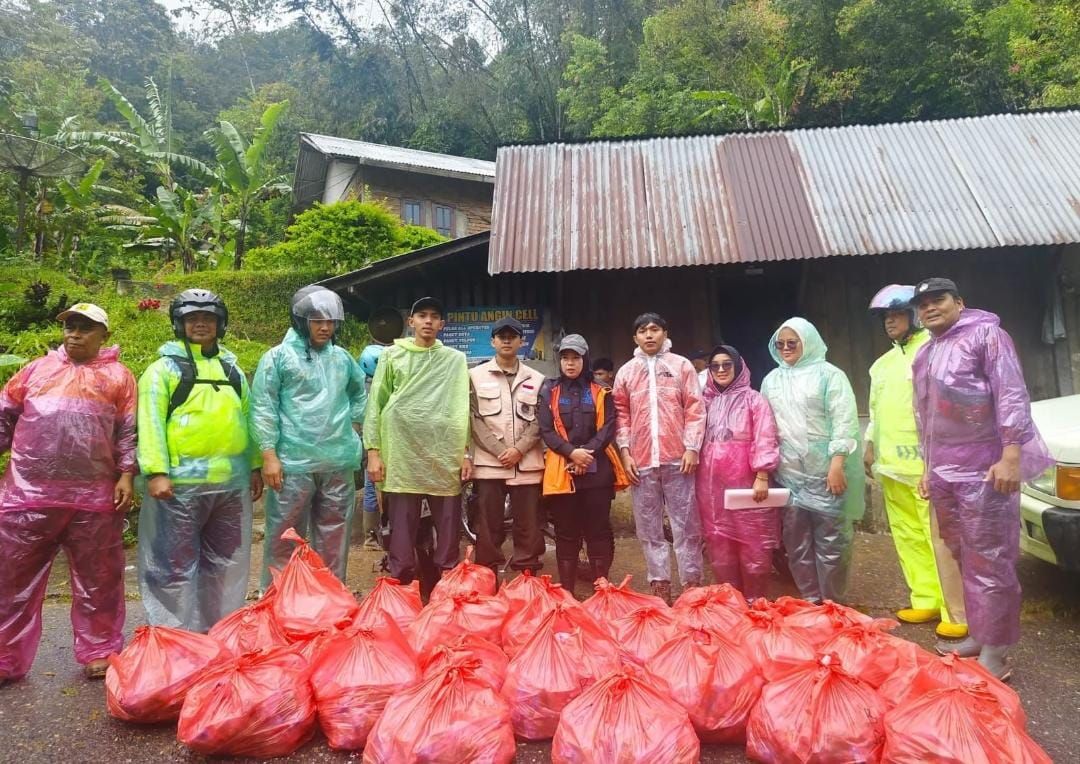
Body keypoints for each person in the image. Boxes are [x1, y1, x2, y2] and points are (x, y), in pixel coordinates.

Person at [911, 277, 1051, 679]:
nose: (929, 308)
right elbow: (926, 417)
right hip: (944, 472)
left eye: (938, 299)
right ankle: (979, 633)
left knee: (990, 559)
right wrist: (928, 468)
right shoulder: (927, 352)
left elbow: (1011, 394)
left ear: (959, 302)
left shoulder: (987, 336)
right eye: (922, 304)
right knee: (962, 554)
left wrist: (1011, 455)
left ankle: (997, 651)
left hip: (985, 469)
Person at [0, 303, 135, 681]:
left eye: (85, 328)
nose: (75, 334)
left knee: (100, 580)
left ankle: (99, 650)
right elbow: (3, 416)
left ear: (104, 335)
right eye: (70, 327)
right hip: (28, 496)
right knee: (11, 580)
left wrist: (126, 474)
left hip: (93, 498)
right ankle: (5, 657)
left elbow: (128, 431)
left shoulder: (119, 377)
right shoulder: (35, 370)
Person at [138, 288, 262, 632]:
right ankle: (174, 637)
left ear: (221, 324)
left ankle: (217, 633)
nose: (201, 324)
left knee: (223, 564)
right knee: (173, 566)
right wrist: (156, 472)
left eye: (208, 318)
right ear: (179, 324)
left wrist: (254, 466)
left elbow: (248, 419)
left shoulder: (232, 370)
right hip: (179, 487)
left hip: (228, 486)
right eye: (192, 318)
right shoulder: (162, 371)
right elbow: (149, 422)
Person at [865, 284, 966, 637]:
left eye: (896, 314)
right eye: (885, 317)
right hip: (891, 464)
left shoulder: (933, 351)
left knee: (940, 536)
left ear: (913, 316)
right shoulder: (881, 365)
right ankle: (925, 597)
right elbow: (875, 410)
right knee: (907, 534)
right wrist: (870, 445)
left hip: (926, 464)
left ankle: (956, 610)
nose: (889, 322)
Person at [251, 286, 366, 589]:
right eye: (317, 321)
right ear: (301, 321)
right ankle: (276, 597)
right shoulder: (278, 358)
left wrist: (353, 427)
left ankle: (331, 597)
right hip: (292, 464)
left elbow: (359, 392)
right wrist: (268, 454)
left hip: (337, 461)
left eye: (330, 321)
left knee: (335, 536)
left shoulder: (341, 358)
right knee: (284, 535)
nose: (325, 327)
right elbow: (263, 407)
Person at [364, 296, 471, 585]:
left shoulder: (454, 360)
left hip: (443, 453)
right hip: (401, 454)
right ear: (411, 322)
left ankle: (447, 587)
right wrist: (373, 452)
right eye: (422, 315)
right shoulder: (392, 355)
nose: (428, 321)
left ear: (442, 324)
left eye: (434, 316)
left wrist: (465, 453)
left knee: (448, 528)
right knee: (401, 528)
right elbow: (376, 405)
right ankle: (401, 586)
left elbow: (461, 408)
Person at [761, 317, 864, 605]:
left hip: (826, 472)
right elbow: (766, 425)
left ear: (808, 342)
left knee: (832, 541)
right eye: (780, 344)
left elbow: (843, 420)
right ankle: (810, 599)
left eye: (792, 343)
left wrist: (837, 463)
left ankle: (833, 603)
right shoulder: (772, 380)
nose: (785, 348)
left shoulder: (830, 375)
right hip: (788, 475)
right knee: (796, 542)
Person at [612, 313, 706, 603]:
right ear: (635, 338)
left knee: (686, 526)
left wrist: (692, 447)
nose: (649, 335)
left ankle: (691, 585)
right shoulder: (626, 372)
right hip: (641, 462)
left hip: (679, 459)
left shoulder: (681, 366)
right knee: (649, 528)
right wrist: (625, 452)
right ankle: (660, 585)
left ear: (665, 333)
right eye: (643, 331)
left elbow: (695, 408)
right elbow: (621, 415)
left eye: (654, 329)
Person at [538, 335, 628, 593]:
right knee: (566, 533)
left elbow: (608, 427)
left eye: (575, 358)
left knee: (598, 531)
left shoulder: (601, 389)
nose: (570, 363)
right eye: (565, 358)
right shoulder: (549, 390)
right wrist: (571, 453)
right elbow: (546, 429)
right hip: (562, 470)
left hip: (597, 471)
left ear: (585, 359)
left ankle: (602, 591)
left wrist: (585, 454)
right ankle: (567, 592)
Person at [695, 345, 780, 601]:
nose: (721, 370)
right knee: (719, 543)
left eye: (727, 364)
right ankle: (731, 601)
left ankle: (755, 601)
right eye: (715, 366)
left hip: (747, 483)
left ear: (738, 366)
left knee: (754, 543)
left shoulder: (754, 400)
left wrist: (762, 475)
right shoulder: (704, 402)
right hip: (710, 488)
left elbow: (765, 437)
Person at [468, 316, 547, 581]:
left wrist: (519, 450)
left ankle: (527, 579)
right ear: (492, 341)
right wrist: (500, 451)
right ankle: (487, 578)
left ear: (521, 342)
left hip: (526, 464)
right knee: (487, 524)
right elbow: (474, 418)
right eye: (501, 336)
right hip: (490, 464)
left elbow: (540, 420)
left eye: (512, 336)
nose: (506, 340)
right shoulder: (475, 376)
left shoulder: (537, 378)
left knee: (529, 524)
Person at [358, 343, 387, 550]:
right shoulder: (374, 388)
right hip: (374, 445)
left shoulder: (360, 386)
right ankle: (371, 537)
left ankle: (375, 536)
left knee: (373, 487)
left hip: (368, 444)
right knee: (372, 488)